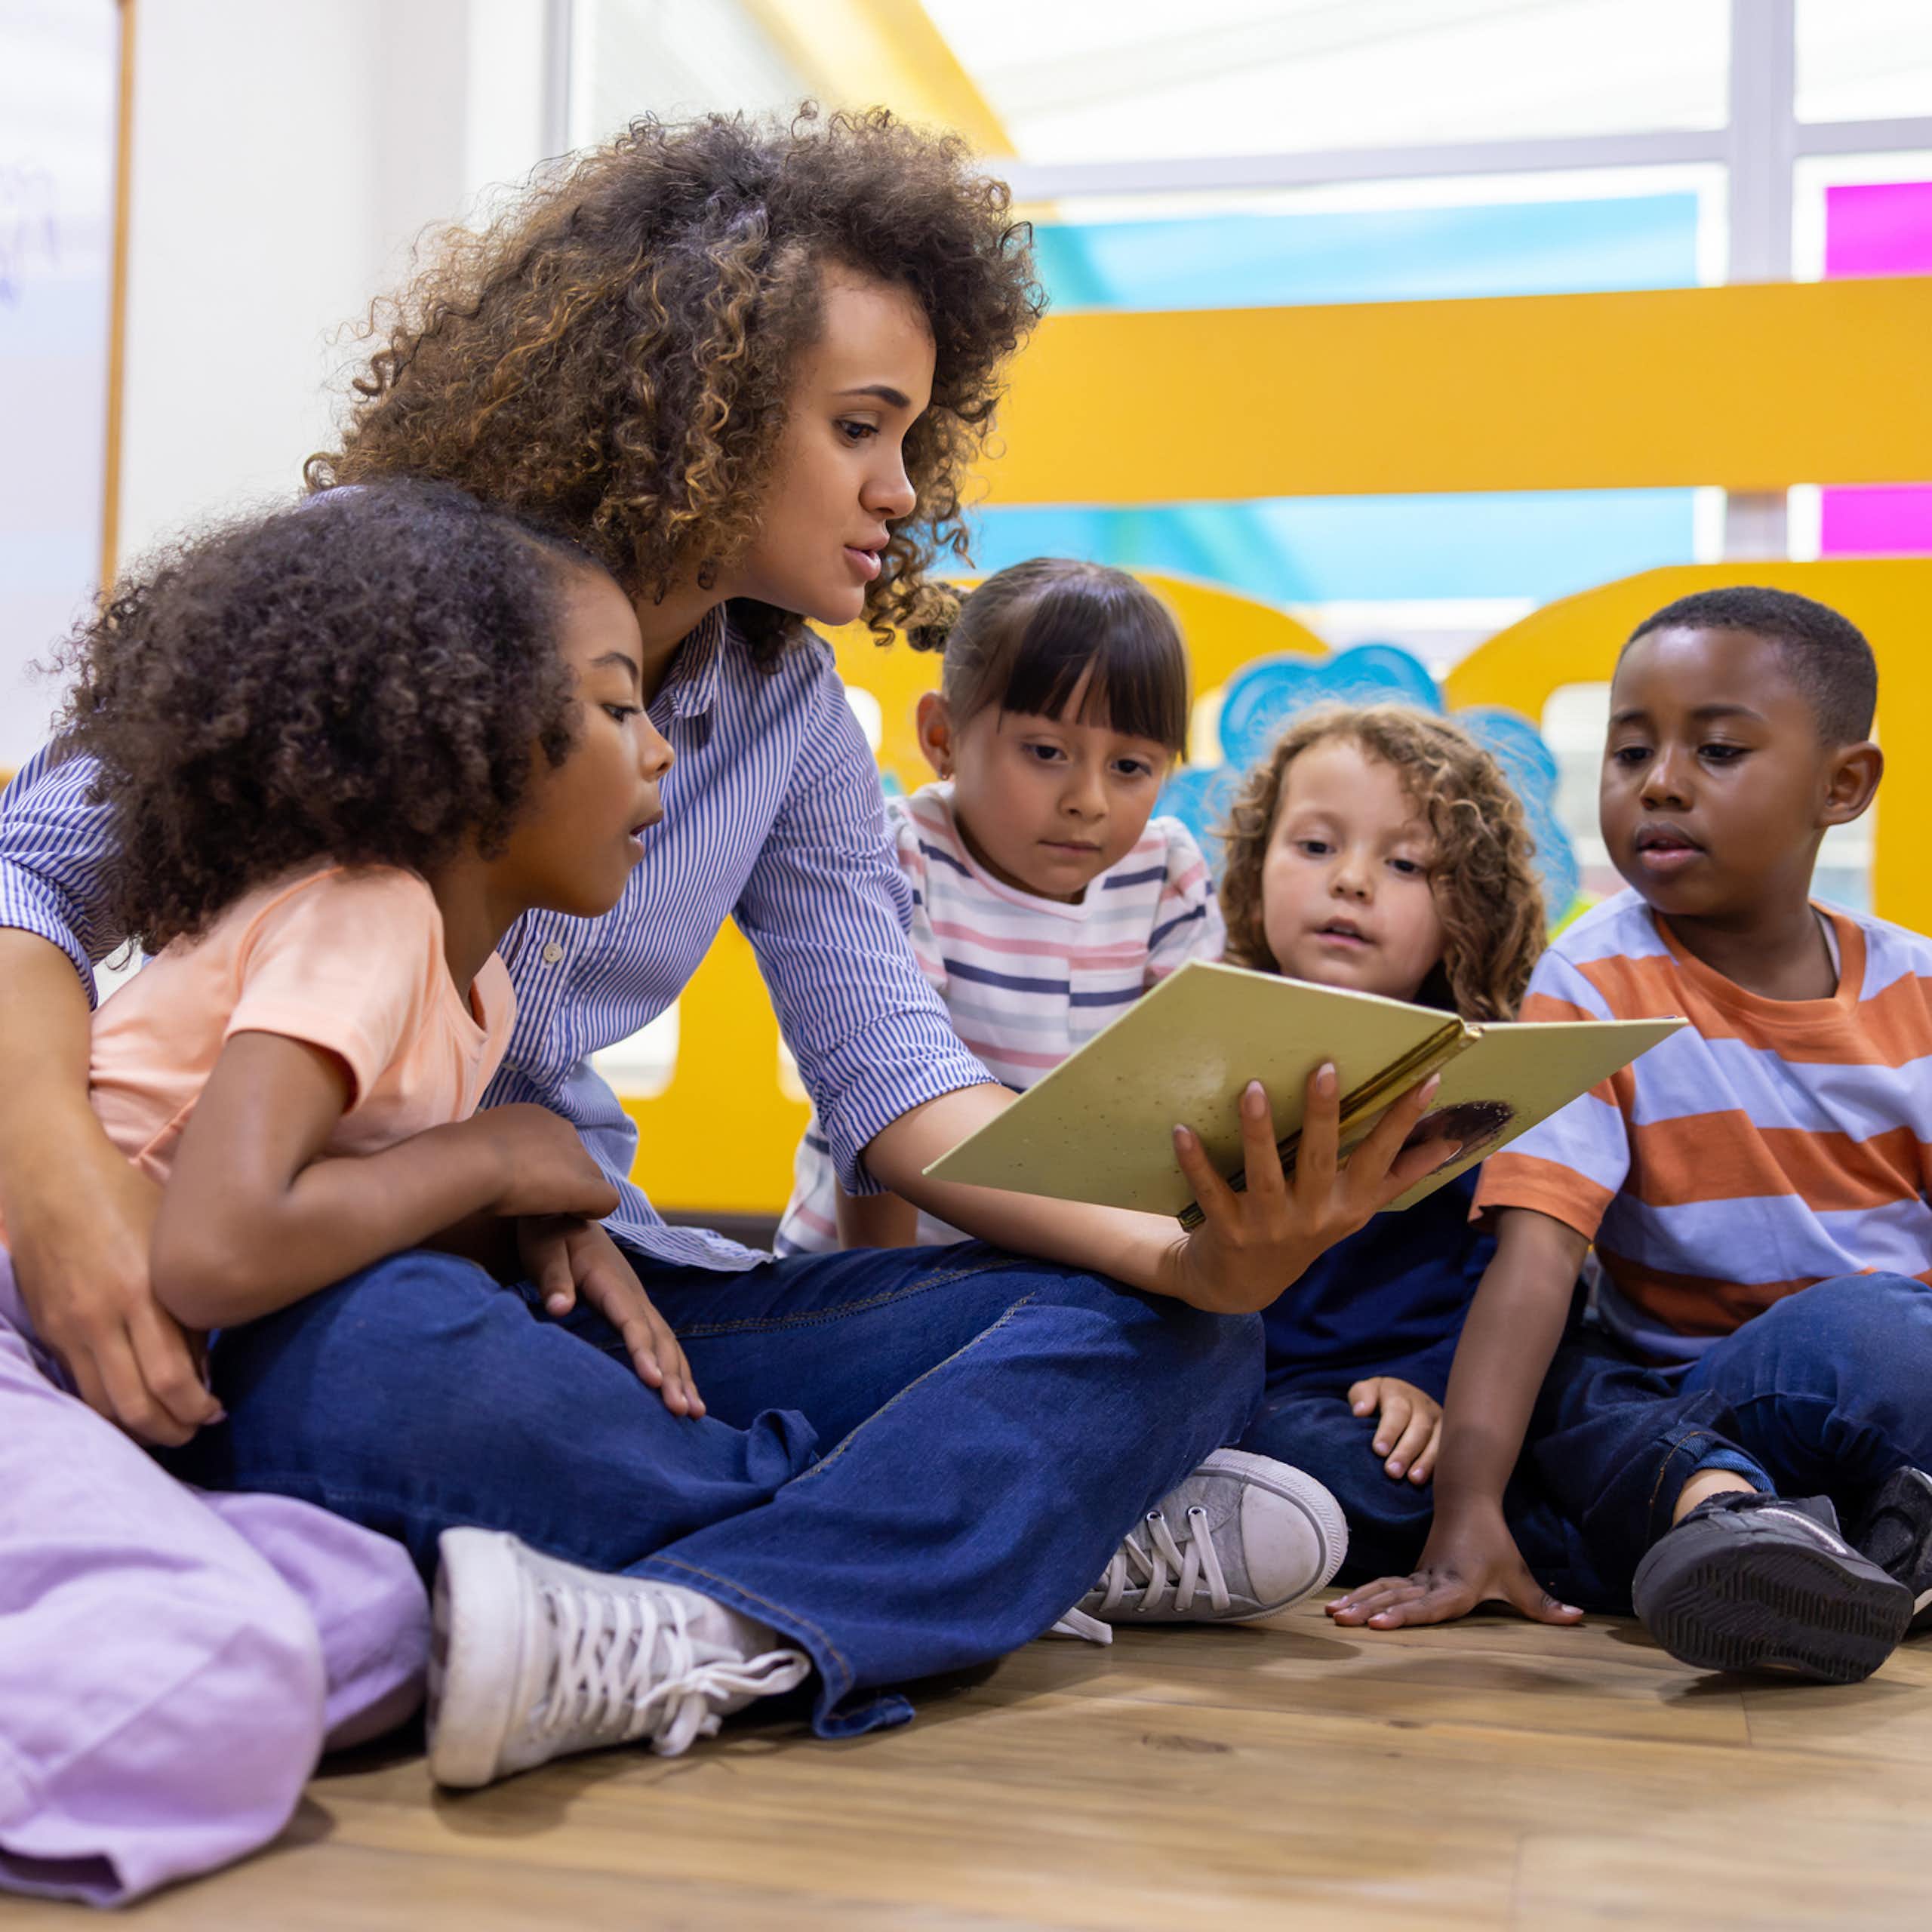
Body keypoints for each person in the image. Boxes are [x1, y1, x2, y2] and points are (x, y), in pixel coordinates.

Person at [0, 108, 1454, 1802]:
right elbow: (30, 872)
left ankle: (719, 1619)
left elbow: (900, 1084)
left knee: (1189, 1338)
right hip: (335, 1273)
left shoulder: (788, 721)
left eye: (912, 434)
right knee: (397, 1359)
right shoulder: (378, 607)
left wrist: (1186, 1248)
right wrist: (63, 1189)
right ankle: (970, 1540)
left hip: (604, 1286)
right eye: (858, 428)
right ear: (685, 403)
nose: (902, 492)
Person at [0, 481, 685, 1905]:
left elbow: (319, 1201)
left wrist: (507, 1208)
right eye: (619, 709)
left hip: (108, 1399)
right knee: (233, 1676)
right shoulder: (366, 912)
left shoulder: (476, 986)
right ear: (475, 738)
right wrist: (493, 1158)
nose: (661, 752)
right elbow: (216, 1248)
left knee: (380, 1618)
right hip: (22, 1329)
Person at [1331, 587, 1932, 1684]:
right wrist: (1463, 1512)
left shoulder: (1919, 992)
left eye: (1716, 750)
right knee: (1575, 1390)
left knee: (1880, 1336)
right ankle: (1758, 1539)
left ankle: (1839, 1539)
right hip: (1694, 1397)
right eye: (1630, 751)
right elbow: (1538, 1255)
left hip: (1883, 1374)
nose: (1659, 782)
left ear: (1842, 786)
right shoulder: (1594, 983)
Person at [778, 555, 1226, 1254]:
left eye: (1131, 767)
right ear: (943, 738)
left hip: (1078, 1254)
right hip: (882, 1258)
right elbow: (880, 1102)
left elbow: (1183, 1102)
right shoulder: (908, 857)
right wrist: (880, 1311)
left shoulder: (1165, 873)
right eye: (1047, 751)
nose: (1089, 800)